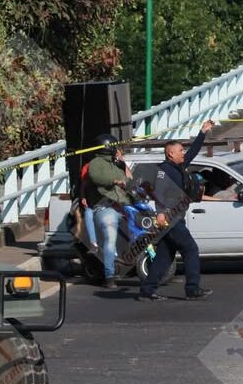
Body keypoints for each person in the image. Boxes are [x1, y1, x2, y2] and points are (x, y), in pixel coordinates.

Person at [137, 120, 215, 301]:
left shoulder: (177, 167)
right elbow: (159, 194)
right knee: (191, 249)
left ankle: (147, 290)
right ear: (170, 154)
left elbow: (193, 152)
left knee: (164, 256)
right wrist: (161, 213)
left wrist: (202, 132)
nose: (183, 153)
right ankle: (192, 289)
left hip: (176, 217)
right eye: (180, 150)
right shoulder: (164, 171)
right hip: (170, 219)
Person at [87, 134, 134, 289]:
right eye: (115, 146)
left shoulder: (116, 164)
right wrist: (114, 180)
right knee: (110, 239)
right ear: (108, 147)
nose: (117, 149)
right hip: (105, 207)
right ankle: (109, 275)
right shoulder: (96, 163)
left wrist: (122, 163)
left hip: (122, 205)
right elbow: (96, 177)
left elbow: (129, 179)